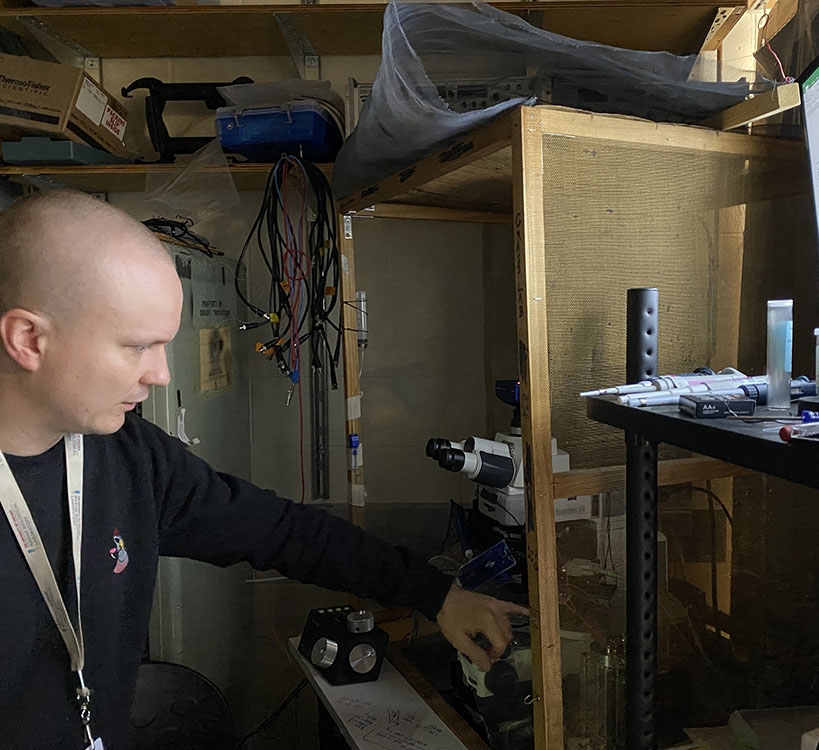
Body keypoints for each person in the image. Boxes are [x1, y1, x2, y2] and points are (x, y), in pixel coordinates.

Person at [0, 190, 528, 749]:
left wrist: (437, 594)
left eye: (164, 346)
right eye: (136, 346)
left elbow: (280, 530)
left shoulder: (130, 456)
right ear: (28, 339)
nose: (158, 374)